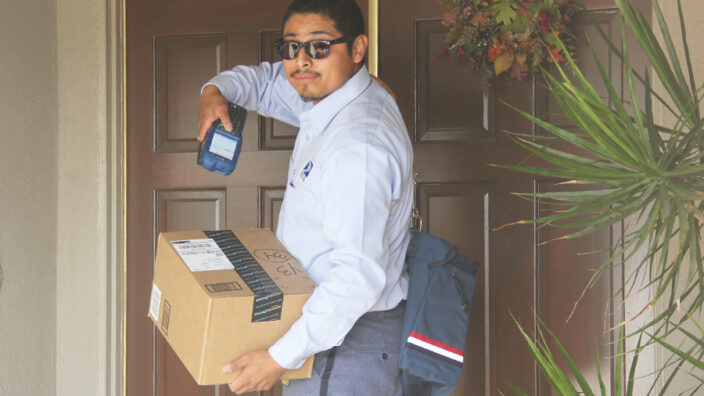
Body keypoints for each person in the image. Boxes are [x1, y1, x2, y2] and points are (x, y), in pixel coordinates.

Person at [197, 0, 413, 394]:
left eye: (318, 46)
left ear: (358, 49)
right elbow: (263, 82)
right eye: (291, 47)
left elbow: (356, 276)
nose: (301, 61)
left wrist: (281, 357)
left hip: (349, 342)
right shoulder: (332, 96)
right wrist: (215, 91)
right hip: (329, 333)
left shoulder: (356, 149)